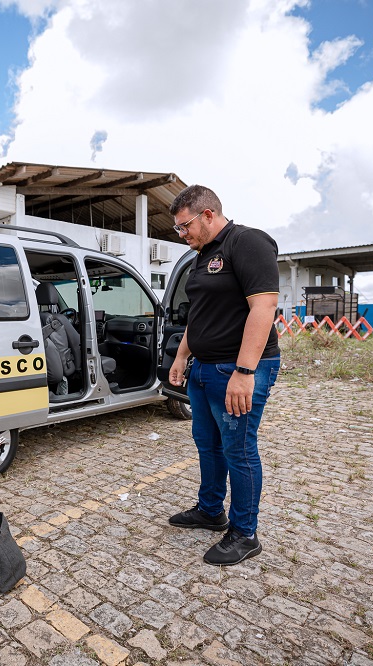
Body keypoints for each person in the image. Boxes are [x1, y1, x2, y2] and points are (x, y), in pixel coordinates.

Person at [166, 185, 280, 566]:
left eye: (185, 227)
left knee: (238, 448)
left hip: (239, 367)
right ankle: (211, 510)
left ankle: (245, 533)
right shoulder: (202, 256)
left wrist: (245, 371)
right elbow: (197, 314)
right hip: (204, 367)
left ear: (208, 215)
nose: (182, 235)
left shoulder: (247, 242)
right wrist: (182, 356)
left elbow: (263, 307)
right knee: (207, 442)